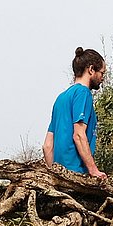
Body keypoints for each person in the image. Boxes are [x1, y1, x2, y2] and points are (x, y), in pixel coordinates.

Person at [44, 47, 107, 179]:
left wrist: (56, 177)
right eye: (102, 73)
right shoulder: (83, 93)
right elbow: (78, 135)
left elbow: (47, 146)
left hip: (60, 178)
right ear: (91, 70)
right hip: (77, 175)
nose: (102, 78)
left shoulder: (61, 98)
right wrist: (94, 170)